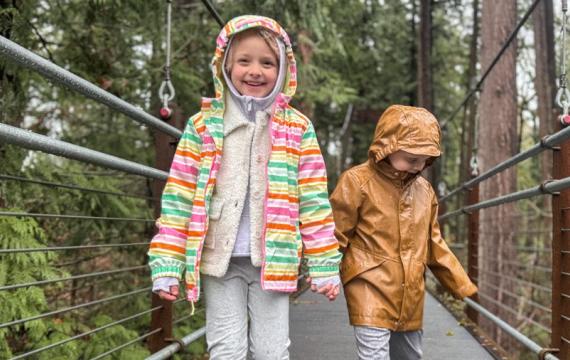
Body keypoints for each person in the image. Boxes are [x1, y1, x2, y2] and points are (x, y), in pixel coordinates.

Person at [147, 15, 342, 360]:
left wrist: (324, 264)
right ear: (225, 65)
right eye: (244, 61)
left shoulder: (298, 129)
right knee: (225, 349)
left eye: (268, 63)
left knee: (271, 351)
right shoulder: (203, 126)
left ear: (283, 71)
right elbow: (178, 198)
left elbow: (313, 201)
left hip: (275, 258)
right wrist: (167, 264)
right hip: (218, 258)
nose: (255, 71)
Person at [330, 105, 478, 360]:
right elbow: (336, 231)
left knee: (409, 356)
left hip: (410, 292)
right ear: (387, 147)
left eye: (425, 160)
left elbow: (434, 244)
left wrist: (461, 285)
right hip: (369, 284)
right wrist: (325, 270)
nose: (419, 166)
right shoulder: (357, 182)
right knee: (374, 355)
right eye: (412, 159)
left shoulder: (425, 191)